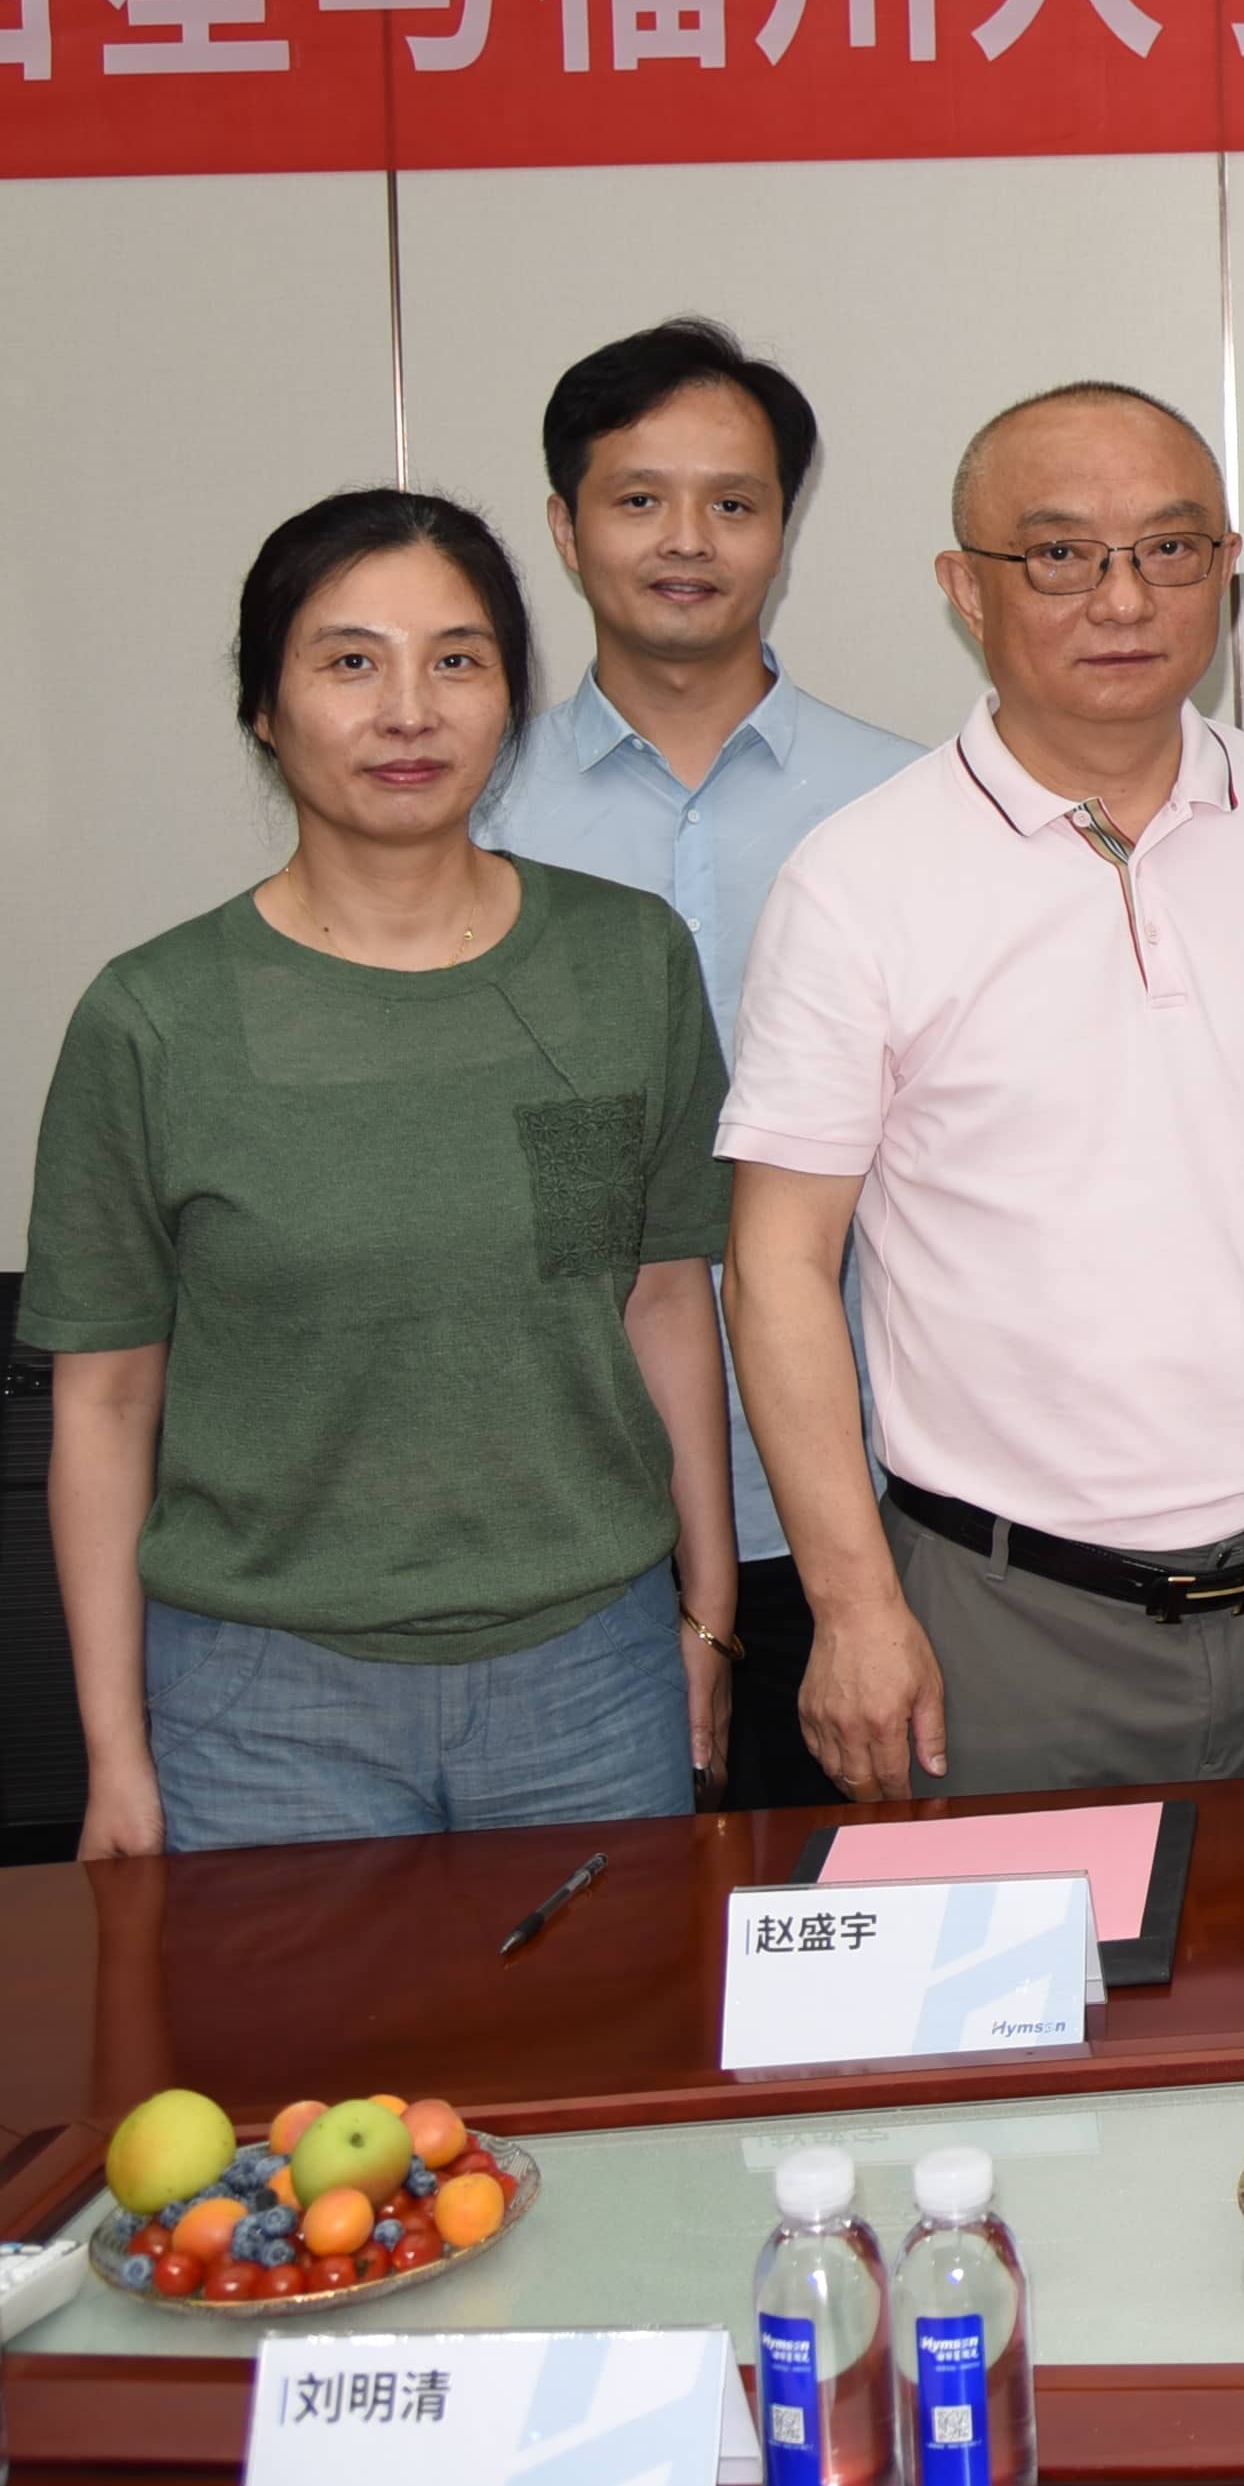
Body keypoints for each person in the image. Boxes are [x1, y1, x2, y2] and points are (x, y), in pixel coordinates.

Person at [720, 382, 1244, 1798]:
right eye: (1061, 553)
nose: (1124, 598)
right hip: (1006, 1618)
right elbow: (779, 1260)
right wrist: (850, 1600)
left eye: (1172, 549)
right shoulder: (857, 878)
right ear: (966, 587)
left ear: (1228, 568)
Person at [29, 489, 737, 1854]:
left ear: (510, 698)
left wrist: (707, 1612)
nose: (409, 711)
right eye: (350, 661)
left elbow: (663, 1295)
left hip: (591, 1673)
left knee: (608, 2001)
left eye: (457, 660)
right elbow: (106, 1401)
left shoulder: (626, 961)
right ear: (264, 705)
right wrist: (115, 1754)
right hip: (263, 1695)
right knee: (298, 2015)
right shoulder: (155, 1016)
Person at [473, 317, 921, 1808]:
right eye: (638, 498)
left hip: (875, 1493)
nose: (687, 540)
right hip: (567, 1501)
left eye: (733, 502)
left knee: (864, 1913)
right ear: (564, 526)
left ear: (784, 530)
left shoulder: (912, 806)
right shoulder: (471, 817)